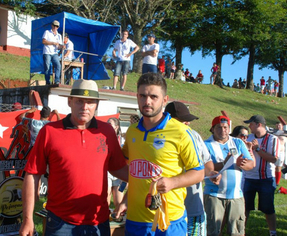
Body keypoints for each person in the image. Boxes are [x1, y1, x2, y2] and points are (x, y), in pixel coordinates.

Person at [19, 79, 129, 236]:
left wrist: (148, 176)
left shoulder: (107, 132)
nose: (85, 107)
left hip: (98, 223)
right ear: (70, 101)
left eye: (90, 102)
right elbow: (32, 174)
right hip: (60, 223)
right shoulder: (49, 131)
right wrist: (28, 219)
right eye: (79, 101)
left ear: (96, 104)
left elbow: (119, 169)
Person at [115, 73, 204, 236]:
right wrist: (126, 200)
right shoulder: (132, 132)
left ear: (164, 100)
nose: (147, 101)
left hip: (168, 222)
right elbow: (135, 172)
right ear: (137, 96)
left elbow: (198, 173)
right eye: (142, 96)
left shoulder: (181, 132)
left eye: (153, 96)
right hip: (135, 221)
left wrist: (172, 182)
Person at [165, 101, 220, 236]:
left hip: (193, 208)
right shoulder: (158, 136)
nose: (188, 123)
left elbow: (206, 160)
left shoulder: (193, 135)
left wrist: (211, 172)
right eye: (184, 120)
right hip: (168, 211)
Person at [204, 116, 254, 236]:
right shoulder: (206, 145)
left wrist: (242, 163)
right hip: (214, 194)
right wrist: (224, 164)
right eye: (219, 128)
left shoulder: (237, 142)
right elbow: (205, 168)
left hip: (236, 195)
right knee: (213, 232)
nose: (223, 130)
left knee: (237, 231)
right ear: (212, 129)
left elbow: (251, 164)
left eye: (225, 127)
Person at [243, 115, 279, 236]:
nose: (249, 126)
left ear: (259, 124)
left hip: (266, 178)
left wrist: (257, 149)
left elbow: (274, 159)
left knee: (268, 208)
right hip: (249, 178)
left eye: (251, 124)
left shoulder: (273, 139)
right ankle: (241, 231)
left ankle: (272, 232)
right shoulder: (249, 137)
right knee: (245, 207)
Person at [107, 117, 125, 209]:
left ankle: (119, 218)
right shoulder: (104, 139)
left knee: (118, 202)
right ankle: (106, 218)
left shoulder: (122, 140)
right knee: (106, 199)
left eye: (110, 124)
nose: (108, 126)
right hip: (107, 172)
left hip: (119, 173)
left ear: (116, 127)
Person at [42, 20, 63, 85]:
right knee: (47, 67)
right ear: (52, 25)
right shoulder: (47, 32)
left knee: (58, 65)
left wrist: (62, 47)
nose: (55, 27)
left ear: (58, 27)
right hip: (47, 52)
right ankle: (48, 82)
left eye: (56, 26)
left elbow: (59, 46)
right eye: (54, 25)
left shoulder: (59, 35)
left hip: (54, 53)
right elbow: (44, 41)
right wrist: (53, 43)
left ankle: (57, 81)